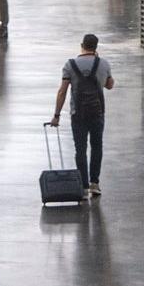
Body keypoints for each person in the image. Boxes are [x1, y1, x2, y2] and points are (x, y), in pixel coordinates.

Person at [46, 34, 114, 198]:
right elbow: (110, 85)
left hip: (78, 114)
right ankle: (95, 183)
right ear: (96, 48)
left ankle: (83, 187)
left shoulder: (70, 65)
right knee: (97, 147)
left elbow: (62, 91)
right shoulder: (103, 64)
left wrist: (56, 115)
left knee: (80, 149)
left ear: (81, 45)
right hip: (98, 113)